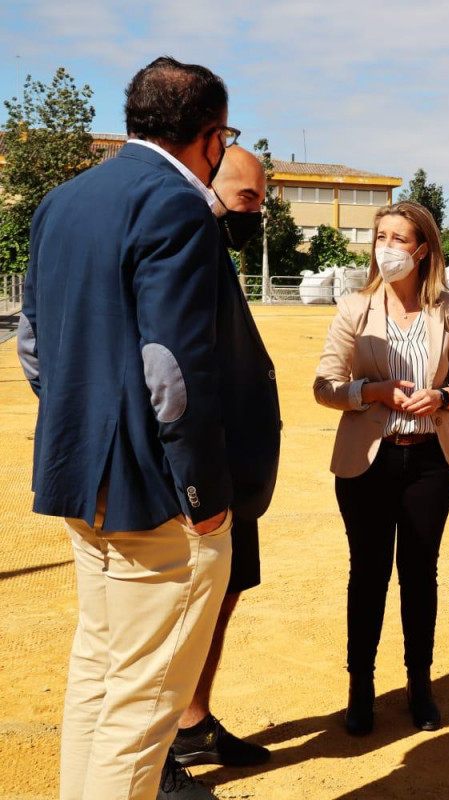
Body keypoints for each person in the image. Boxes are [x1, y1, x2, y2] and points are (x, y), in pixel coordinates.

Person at [19, 57, 241, 800]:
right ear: (211, 136)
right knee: (143, 708)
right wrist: (202, 490)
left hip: (80, 475)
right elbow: (169, 369)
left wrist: (84, 427)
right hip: (155, 497)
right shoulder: (176, 206)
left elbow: (34, 346)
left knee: (101, 673)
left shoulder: (61, 201)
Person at [314, 201, 449, 737]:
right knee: (367, 575)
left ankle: (420, 685)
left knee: (419, 573)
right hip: (369, 463)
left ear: (423, 249)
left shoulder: (448, 309)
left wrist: (446, 398)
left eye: (399, 238)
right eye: (380, 236)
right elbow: (324, 387)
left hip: (431, 461)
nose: (386, 246)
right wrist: (372, 392)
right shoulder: (353, 308)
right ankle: (360, 687)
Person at [165, 146, 281, 787]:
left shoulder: (214, 250)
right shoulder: (184, 245)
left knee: (224, 596)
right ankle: (160, 748)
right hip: (200, 474)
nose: (256, 213)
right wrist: (196, 479)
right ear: (209, 186)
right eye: (248, 199)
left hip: (234, 472)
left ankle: (194, 722)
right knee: (184, 607)